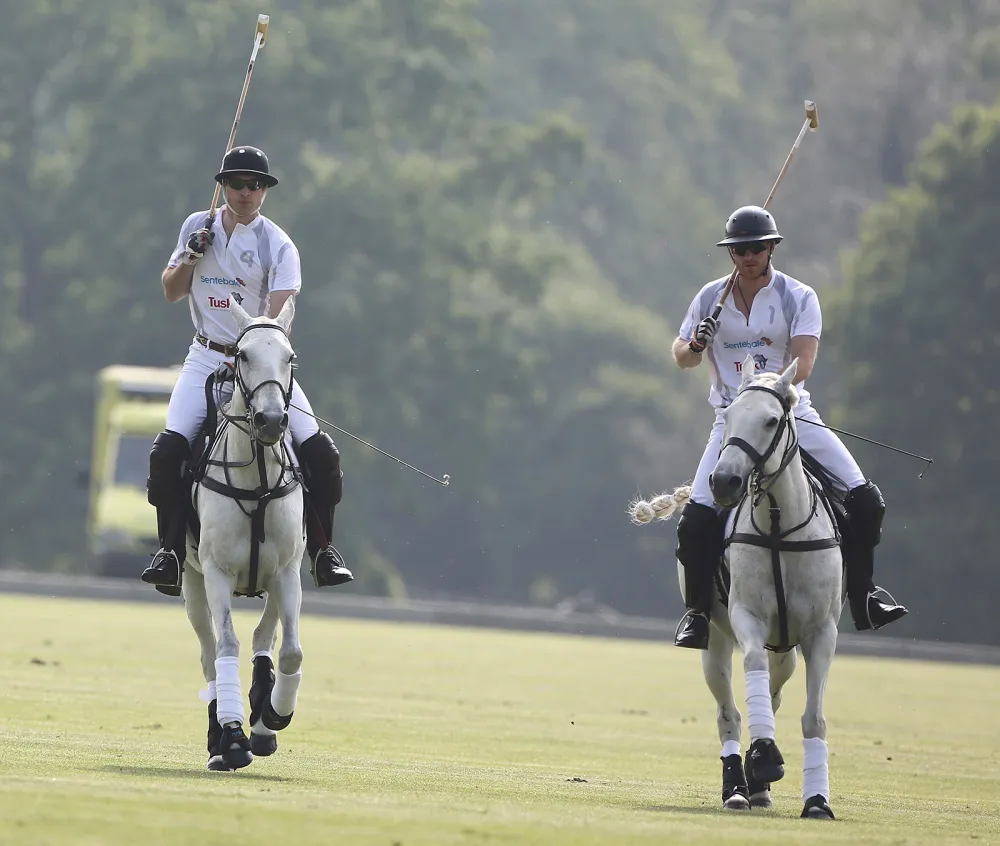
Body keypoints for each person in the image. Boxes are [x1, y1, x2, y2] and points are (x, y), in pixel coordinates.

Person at [670, 204, 907, 649]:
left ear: (772, 248)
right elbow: (682, 356)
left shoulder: (799, 296)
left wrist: (763, 391)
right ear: (730, 253)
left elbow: (804, 363)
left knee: (866, 501)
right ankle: (698, 614)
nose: (747, 255)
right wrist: (695, 342)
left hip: (791, 416)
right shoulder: (710, 298)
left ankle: (864, 597)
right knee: (695, 523)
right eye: (739, 249)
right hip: (732, 423)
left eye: (756, 247)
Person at [141, 145, 354, 596]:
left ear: (265, 191)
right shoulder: (196, 227)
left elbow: (275, 323)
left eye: (254, 185)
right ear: (222, 186)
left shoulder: (276, 244)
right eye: (235, 183)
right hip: (204, 358)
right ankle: (170, 552)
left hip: (260, 366)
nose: (245, 193)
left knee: (321, 454)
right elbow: (171, 291)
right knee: (167, 452)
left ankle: (322, 549)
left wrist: (253, 353)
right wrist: (190, 258)